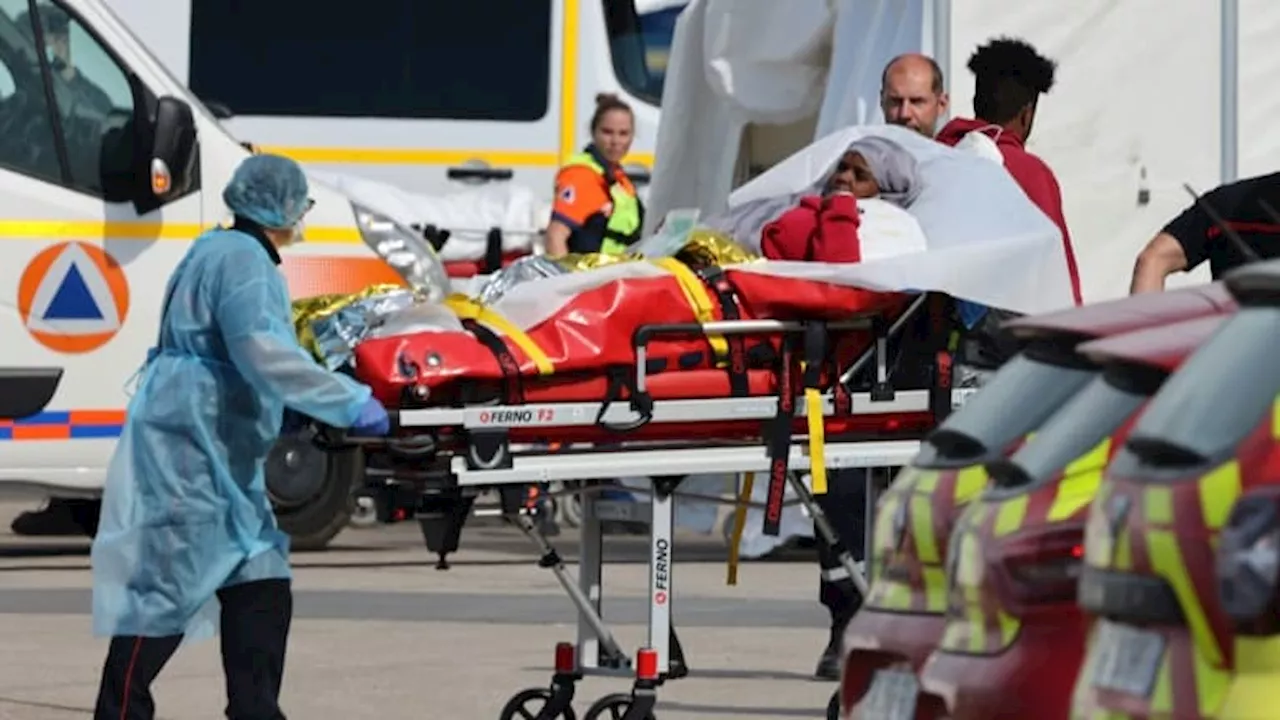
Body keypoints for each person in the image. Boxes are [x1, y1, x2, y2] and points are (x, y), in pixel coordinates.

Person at [90, 154, 392, 720]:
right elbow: (264, 352)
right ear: (279, 207)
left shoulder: (221, 249)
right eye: (301, 204)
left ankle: (256, 710)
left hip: (221, 454)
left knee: (263, 582)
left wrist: (286, 409)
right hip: (194, 457)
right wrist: (348, 402)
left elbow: (246, 354)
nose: (303, 215)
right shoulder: (245, 262)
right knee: (164, 593)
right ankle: (119, 712)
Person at [935, 37, 1083, 306]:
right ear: (1027, 115)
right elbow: (1056, 274)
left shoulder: (936, 158)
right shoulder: (1030, 173)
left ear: (976, 101)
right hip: (1001, 338)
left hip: (925, 334)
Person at [761, 136, 922, 263]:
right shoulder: (808, 199)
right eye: (842, 168)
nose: (844, 178)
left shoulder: (891, 228)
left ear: (886, 190)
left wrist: (840, 207)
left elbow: (839, 268)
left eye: (860, 175)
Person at [1130, 172, 1280, 292]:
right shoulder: (1226, 207)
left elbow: (1154, 258)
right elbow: (1154, 259)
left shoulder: (1226, 202)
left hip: (1231, 327)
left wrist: (1143, 327)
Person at [544, 94, 645, 257]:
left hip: (617, 273)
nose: (615, 141)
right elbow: (555, 237)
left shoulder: (618, 178)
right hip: (591, 276)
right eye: (607, 132)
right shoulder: (582, 174)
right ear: (593, 132)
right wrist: (567, 281)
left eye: (623, 133)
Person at [880, 53, 950, 138]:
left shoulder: (962, 149)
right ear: (882, 102)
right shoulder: (864, 149)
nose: (904, 114)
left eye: (916, 102)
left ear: (941, 104)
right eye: (896, 101)